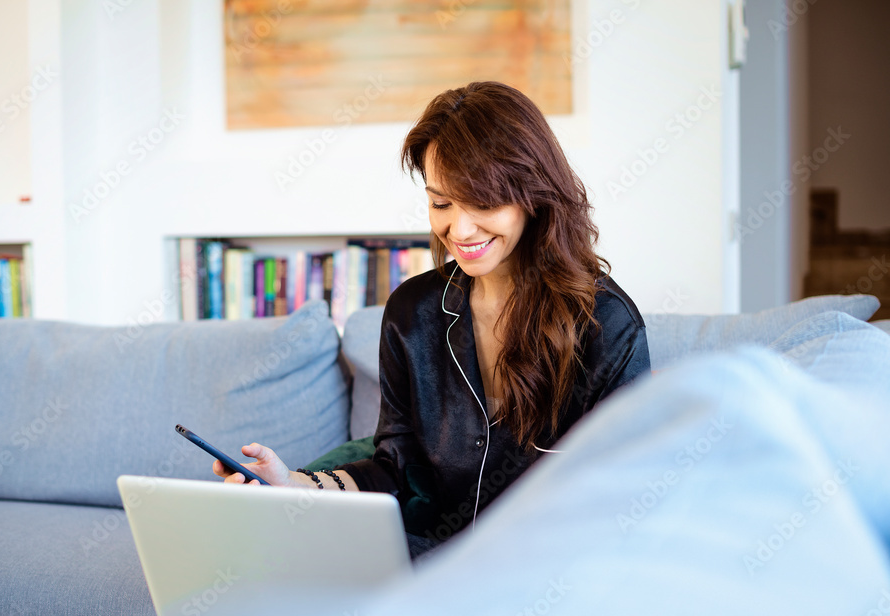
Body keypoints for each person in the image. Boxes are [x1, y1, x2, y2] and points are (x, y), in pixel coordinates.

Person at [214, 81, 650, 549]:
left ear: (535, 195)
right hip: (430, 564)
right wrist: (294, 485)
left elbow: (626, 498)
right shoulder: (411, 313)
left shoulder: (608, 324)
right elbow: (397, 470)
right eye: (441, 202)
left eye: (483, 202)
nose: (458, 229)